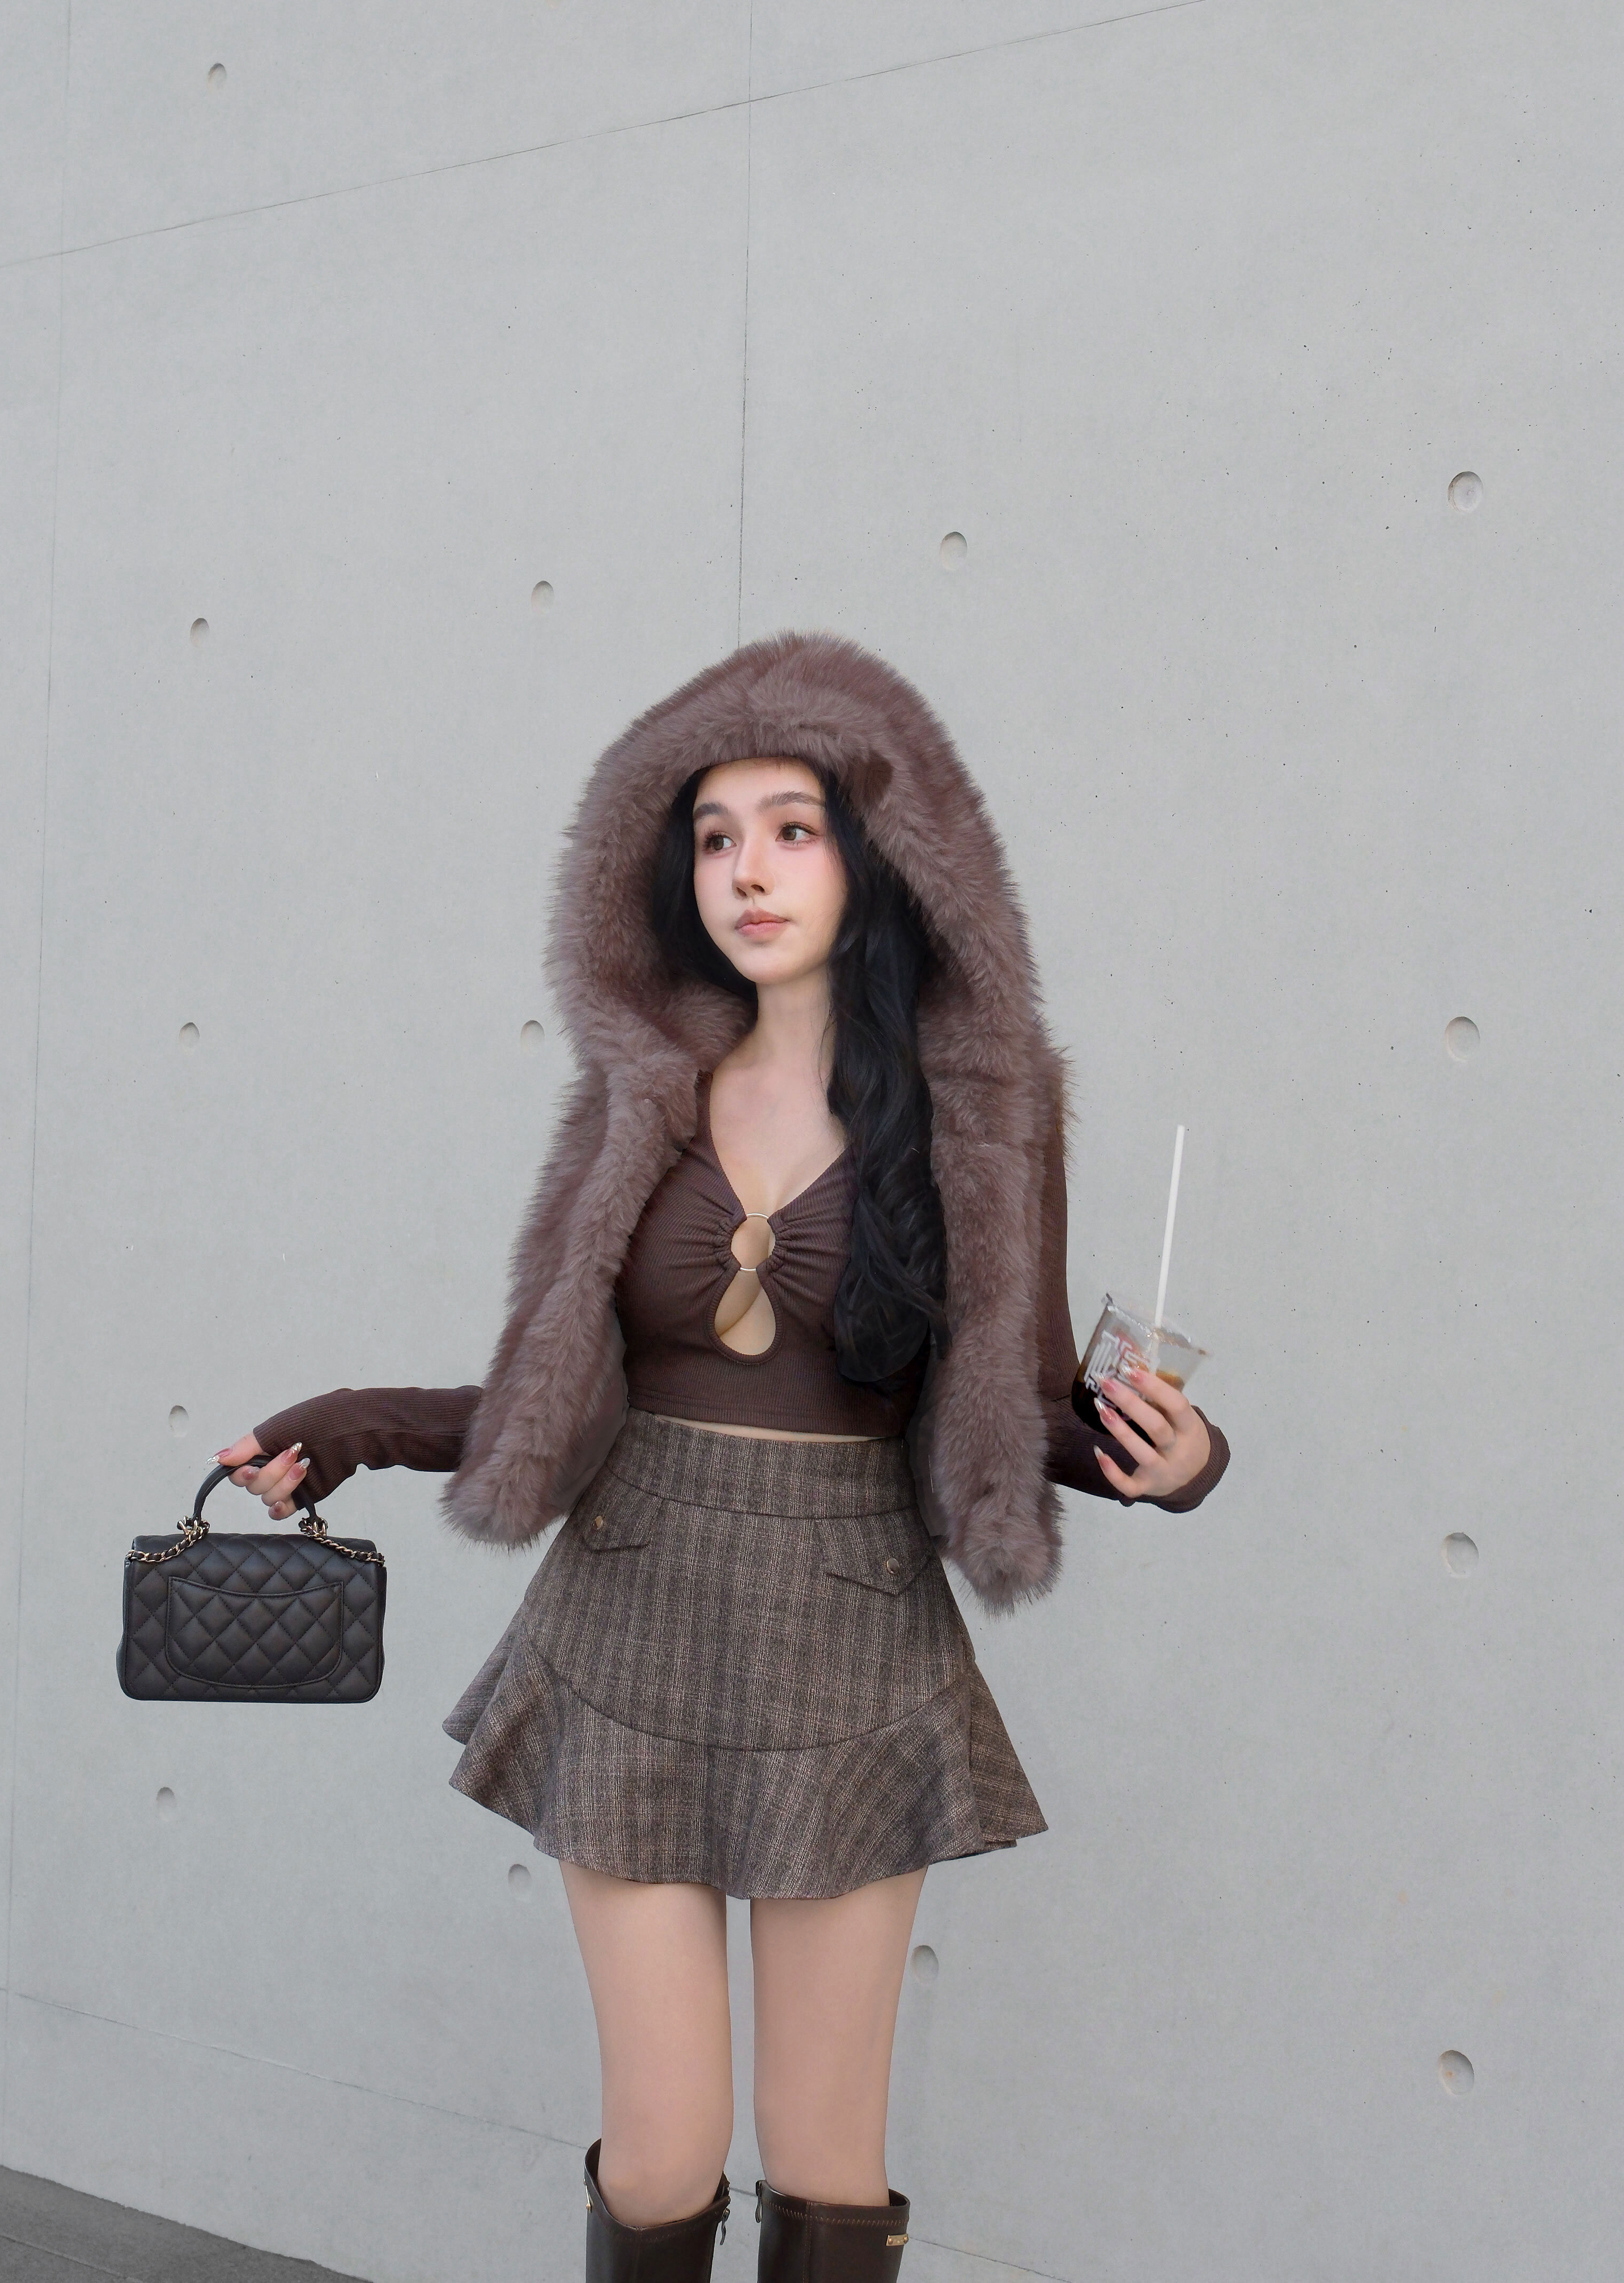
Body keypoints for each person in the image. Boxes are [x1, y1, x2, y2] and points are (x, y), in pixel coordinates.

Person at [216, 630, 1228, 2280]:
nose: (747, 871)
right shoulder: (642, 1091)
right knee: (664, 2151)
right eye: (712, 836)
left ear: (879, 857)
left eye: (792, 829)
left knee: (826, 2157)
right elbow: (562, 1386)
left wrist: (1180, 1462)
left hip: (851, 1634)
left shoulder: (984, 1103)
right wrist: (353, 1429)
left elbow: (1017, 1408)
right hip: (628, 1613)